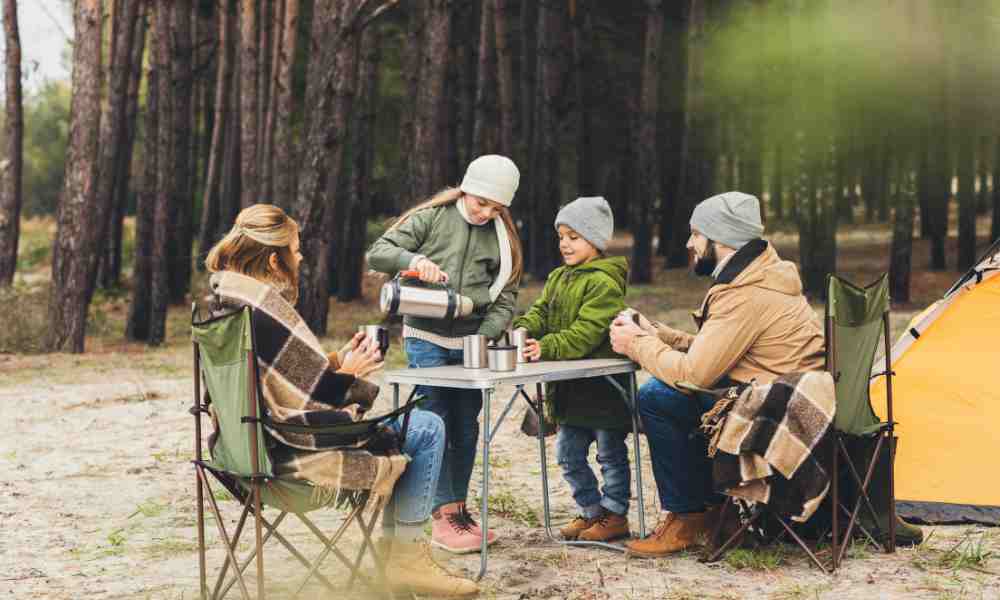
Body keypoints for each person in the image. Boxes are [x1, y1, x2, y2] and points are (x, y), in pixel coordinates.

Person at [204, 204, 477, 597]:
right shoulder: (262, 310)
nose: (300, 257)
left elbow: (274, 378)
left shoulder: (224, 304)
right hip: (289, 458)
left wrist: (335, 362)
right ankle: (405, 558)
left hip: (241, 452)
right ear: (274, 259)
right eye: (295, 249)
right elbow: (320, 392)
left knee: (410, 432)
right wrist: (349, 375)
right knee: (427, 428)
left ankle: (401, 560)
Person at [609, 191, 829, 558]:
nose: (689, 243)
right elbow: (725, 349)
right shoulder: (760, 276)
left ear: (720, 238)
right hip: (784, 393)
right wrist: (660, 334)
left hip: (773, 412)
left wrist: (635, 345)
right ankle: (711, 513)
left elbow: (694, 374)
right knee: (675, 396)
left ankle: (690, 517)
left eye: (696, 234)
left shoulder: (745, 294)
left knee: (659, 397)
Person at [367, 155, 523, 553]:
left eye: (497, 208)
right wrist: (413, 260)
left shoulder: (503, 238)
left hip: (472, 344)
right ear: (466, 188)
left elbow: (505, 297)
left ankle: (457, 508)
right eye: (481, 203)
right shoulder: (432, 218)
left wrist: (485, 335)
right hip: (426, 338)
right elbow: (378, 253)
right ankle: (440, 514)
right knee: (434, 421)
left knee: (466, 424)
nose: (486, 213)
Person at [512, 196, 633, 543]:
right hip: (569, 389)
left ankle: (615, 514)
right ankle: (592, 511)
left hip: (603, 388)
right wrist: (526, 328)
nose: (564, 243)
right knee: (567, 454)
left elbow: (584, 334)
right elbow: (541, 312)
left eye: (574, 236)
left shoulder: (604, 282)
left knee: (610, 454)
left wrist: (545, 347)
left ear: (594, 240)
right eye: (561, 236)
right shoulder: (558, 277)